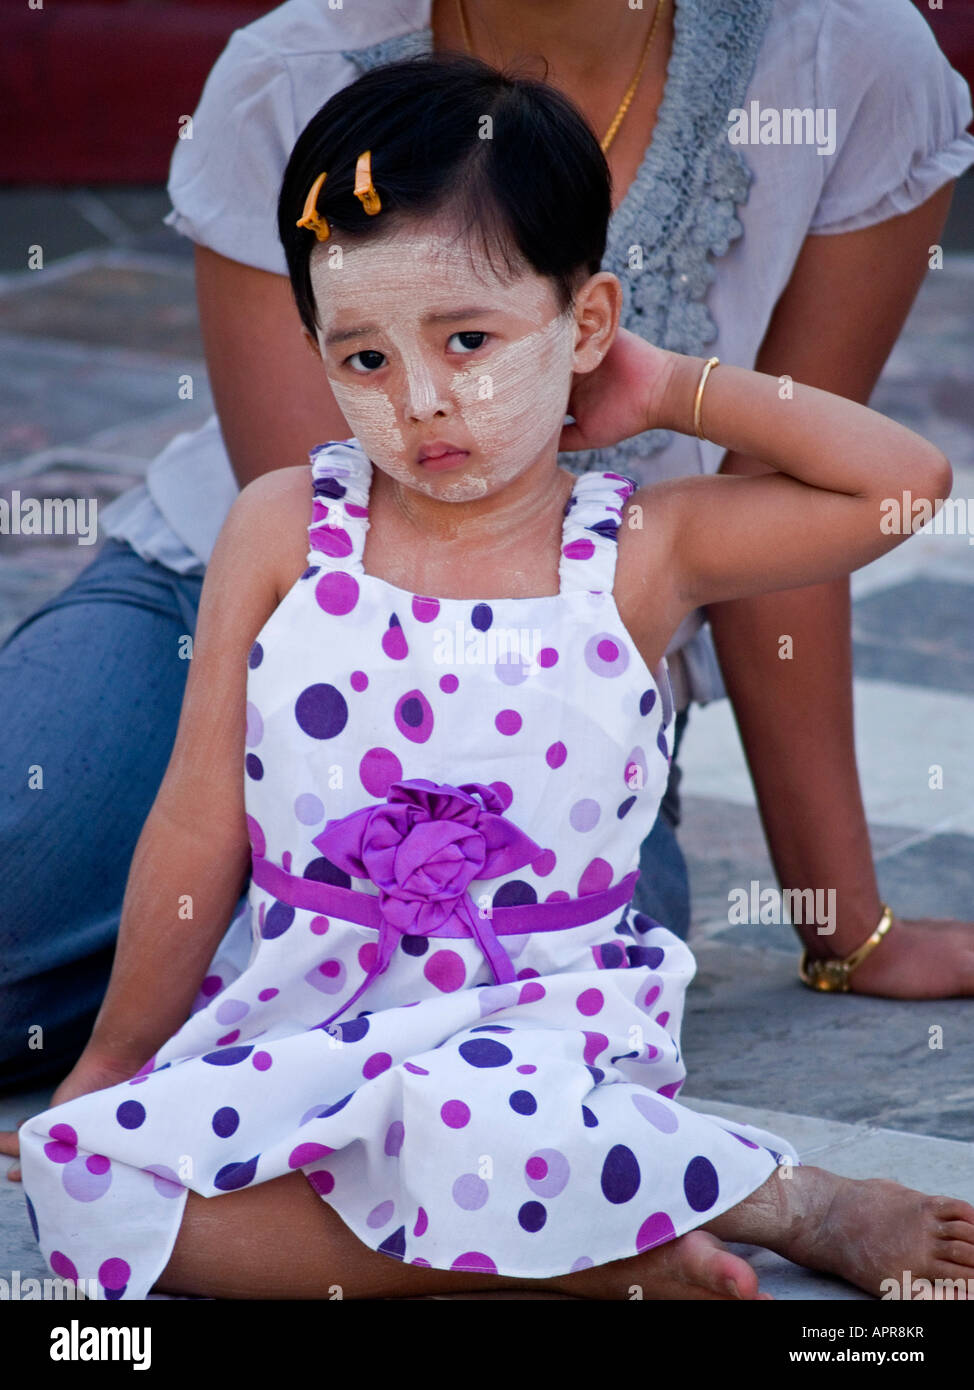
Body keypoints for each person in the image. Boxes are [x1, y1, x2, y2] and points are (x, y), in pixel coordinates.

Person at [5, 55, 973, 1302]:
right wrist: (111, 1062)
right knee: (82, 1179)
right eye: (360, 358)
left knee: (485, 1123)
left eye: (468, 339)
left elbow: (902, 485)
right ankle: (577, 1263)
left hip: (537, 1041)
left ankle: (787, 1198)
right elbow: (198, 817)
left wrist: (674, 384)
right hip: (311, 1022)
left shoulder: (643, 546)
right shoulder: (282, 524)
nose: (418, 401)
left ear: (581, 323)